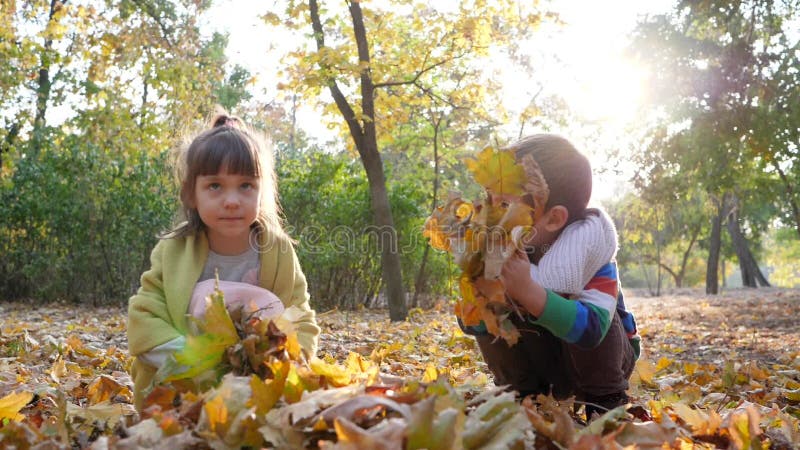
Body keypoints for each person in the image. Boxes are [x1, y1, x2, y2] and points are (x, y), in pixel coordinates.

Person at [127, 112, 320, 411]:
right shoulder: (174, 249)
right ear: (191, 194)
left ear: (261, 191)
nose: (232, 200)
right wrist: (203, 364)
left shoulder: (277, 250)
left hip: (257, 392)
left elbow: (301, 317)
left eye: (246, 185)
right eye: (215, 186)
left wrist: (281, 360)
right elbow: (144, 318)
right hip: (182, 391)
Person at [462, 134, 640, 418]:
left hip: (599, 362)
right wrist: (477, 306)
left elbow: (592, 329)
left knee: (593, 312)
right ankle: (522, 393)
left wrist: (529, 292)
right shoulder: (503, 250)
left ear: (554, 218)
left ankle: (605, 400)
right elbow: (476, 325)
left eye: (505, 206)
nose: (493, 217)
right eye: (490, 201)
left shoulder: (588, 253)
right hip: (541, 358)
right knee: (492, 306)